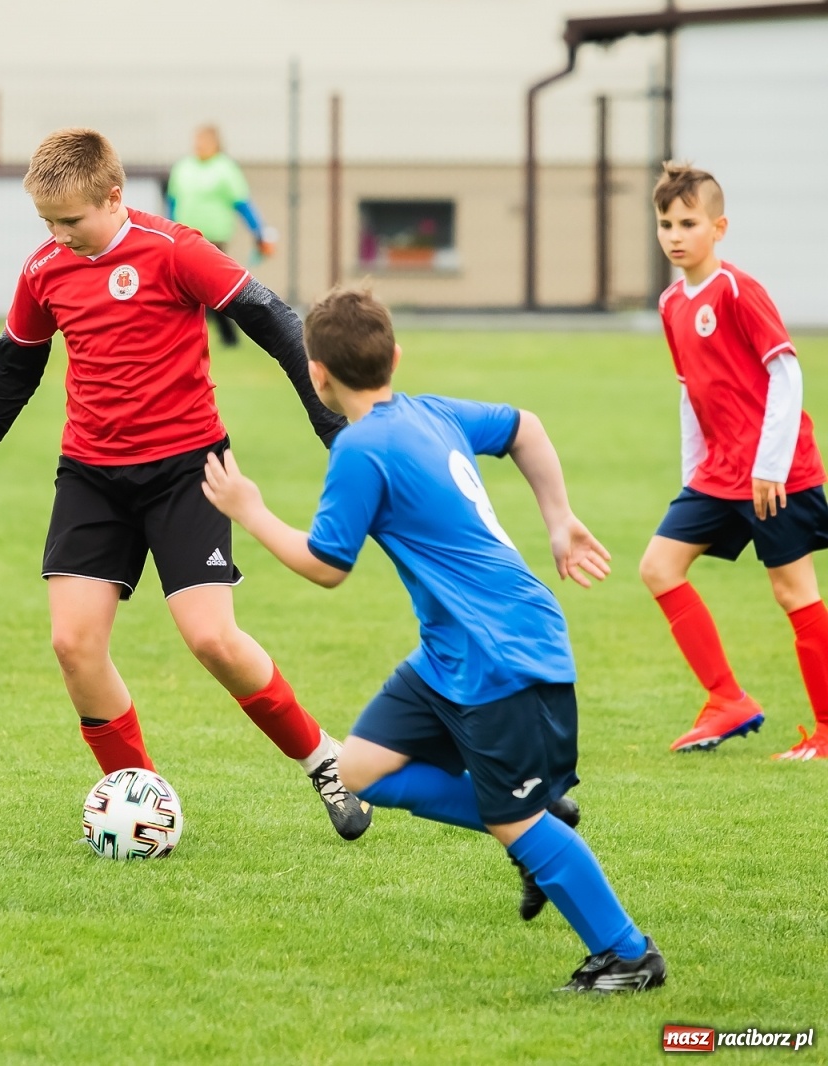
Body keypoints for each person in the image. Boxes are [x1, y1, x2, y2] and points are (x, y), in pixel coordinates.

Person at [202, 284, 665, 992]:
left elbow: (327, 567)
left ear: (317, 375)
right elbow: (525, 427)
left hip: (498, 654)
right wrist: (558, 518)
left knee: (517, 822)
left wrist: (251, 510)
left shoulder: (359, 449)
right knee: (356, 771)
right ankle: (534, 815)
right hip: (453, 649)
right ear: (395, 355)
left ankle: (627, 953)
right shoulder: (431, 412)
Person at [0, 127, 370, 840]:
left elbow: (275, 321)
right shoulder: (45, 269)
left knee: (213, 642)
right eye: (46, 223)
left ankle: (324, 760)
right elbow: (13, 370)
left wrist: (332, 430)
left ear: (113, 195)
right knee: (73, 645)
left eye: (70, 221)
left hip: (188, 472)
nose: (58, 235)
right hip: (92, 477)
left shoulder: (174, 250)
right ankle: (136, 797)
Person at [639, 163, 828, 761]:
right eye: (666, 223)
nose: (675, 234)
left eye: (688, 223)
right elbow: (690, 392)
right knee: (659, 567)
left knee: (792, 590)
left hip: (776, 472)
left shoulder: (739, 291)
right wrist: (693, 471)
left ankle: (826, 731)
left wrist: (769, 464)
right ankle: (727, 699)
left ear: (718, 228)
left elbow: (786, 372)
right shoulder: (672, 303)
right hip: (719, 475)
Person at [166, 125, 273, 350]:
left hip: (213, 237)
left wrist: (259, 230)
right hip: (183, 237)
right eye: (196, 139)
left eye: (203, 140)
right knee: (188, 288)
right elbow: (173, 202)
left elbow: (242, 203)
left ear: (215, 143)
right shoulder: (183, 167)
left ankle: (229, 336)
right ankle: (215, 336)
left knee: (212, 287)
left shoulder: (226, 169)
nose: (198, 144)